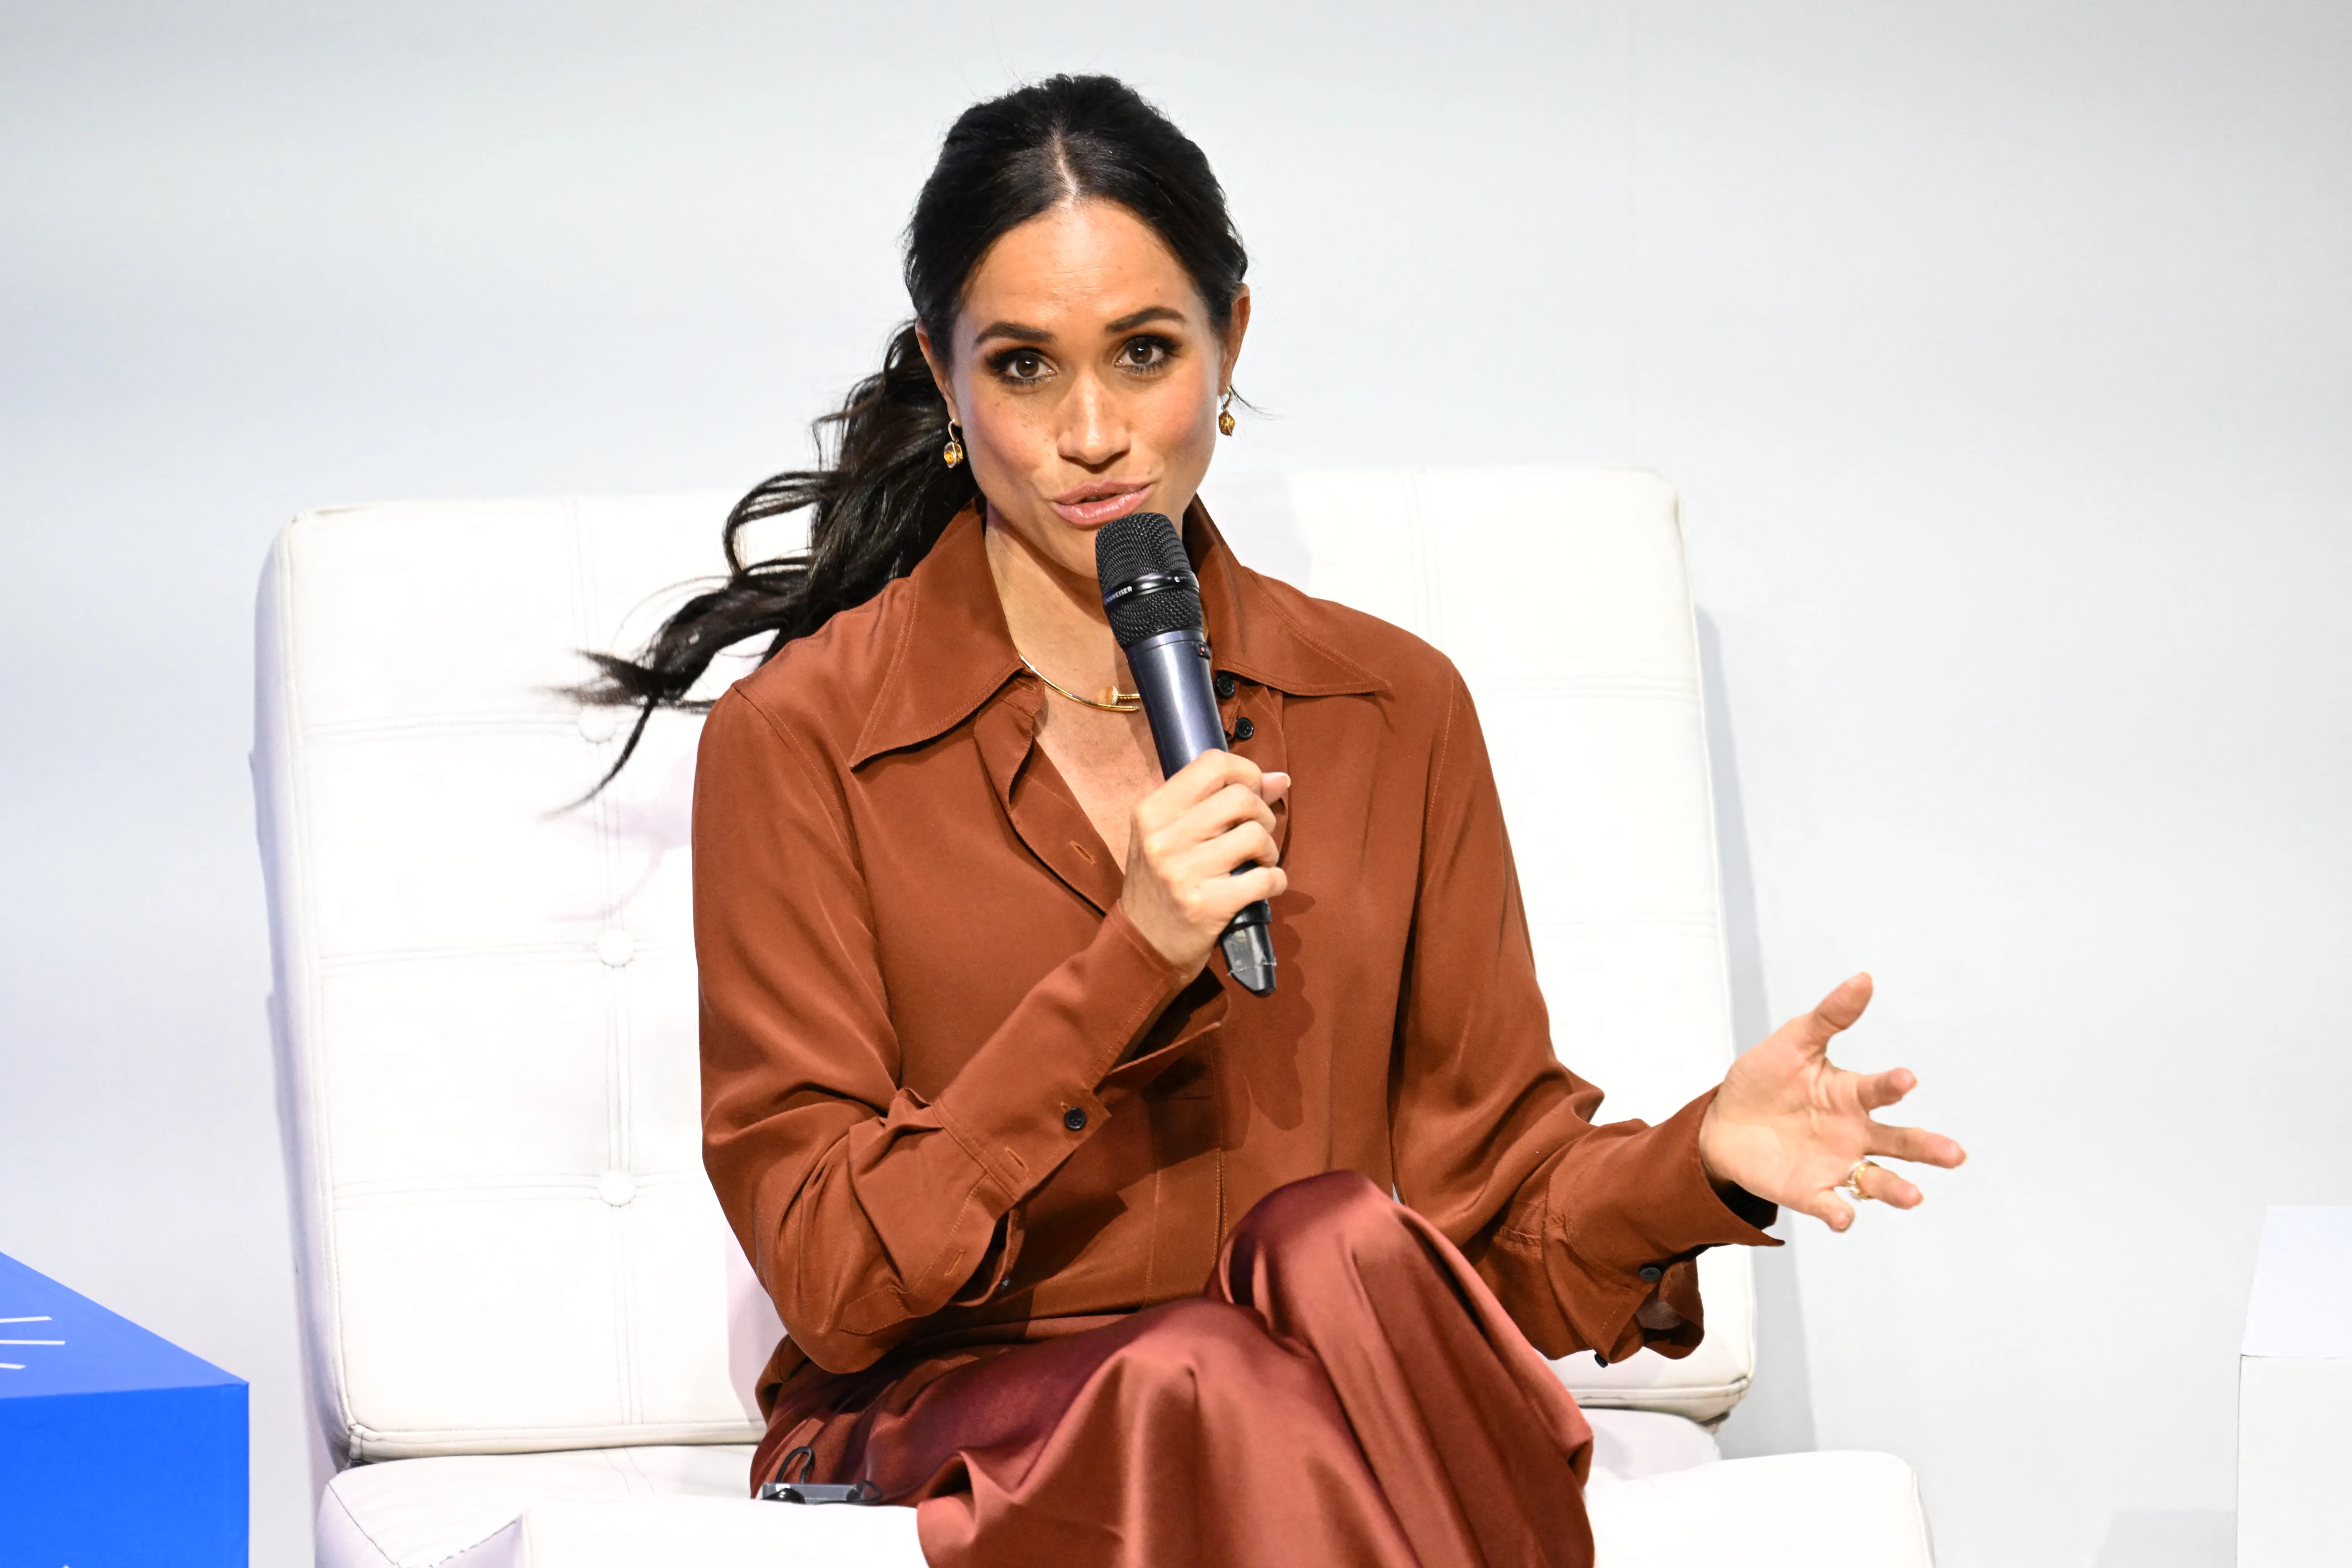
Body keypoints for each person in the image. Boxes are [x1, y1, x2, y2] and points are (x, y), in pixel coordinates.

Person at [583, 73, 1966, 1568]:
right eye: (1029, 368)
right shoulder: (803, 742)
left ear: (1232, 342)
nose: (1097, 432)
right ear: (947, 374)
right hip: (944, 1401)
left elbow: (1479, 1209)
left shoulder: (1390, 707)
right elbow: (836, 1278)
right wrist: (1131, 956)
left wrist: (1708, 1157)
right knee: (1208, 1373)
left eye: (1147, 352)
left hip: (1308, 1370)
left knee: (1344, 1240)